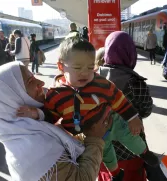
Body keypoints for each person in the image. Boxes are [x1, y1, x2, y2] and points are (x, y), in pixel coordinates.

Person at [42, 37, 158, 180]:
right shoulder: (55, 94)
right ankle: (115, 174)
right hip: (91, 135)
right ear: (61, 67)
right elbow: (49, 116)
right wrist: (36, 113)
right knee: (106, 153)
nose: (85, 73)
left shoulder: (100, 83)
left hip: (113, 122)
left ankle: (145, 153)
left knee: (131, 137)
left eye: (90, 68)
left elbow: (118, 99)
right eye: (78, 68)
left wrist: (132, 118)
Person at [0, 61, 110, 181]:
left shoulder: (29, 131)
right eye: (30, 81)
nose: (42, 83)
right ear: (12, 99)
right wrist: (94, 138)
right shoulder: (35, 152)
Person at [97, 31, 155, 181]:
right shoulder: (135, 83)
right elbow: (146, 110)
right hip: (131, 152)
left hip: (102, 149)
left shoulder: (94, 78)